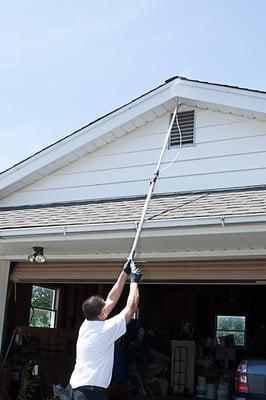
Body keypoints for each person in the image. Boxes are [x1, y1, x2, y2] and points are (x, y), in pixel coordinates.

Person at [70, 259, 142, 400]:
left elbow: (110, 299)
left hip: (81, 391)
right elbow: (132, 307)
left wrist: (124, 273)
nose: (107, 304)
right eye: (104, 307)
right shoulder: (106, 330)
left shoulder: (86, 324)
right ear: (102, 314)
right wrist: (134, 281)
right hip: (90, 394)